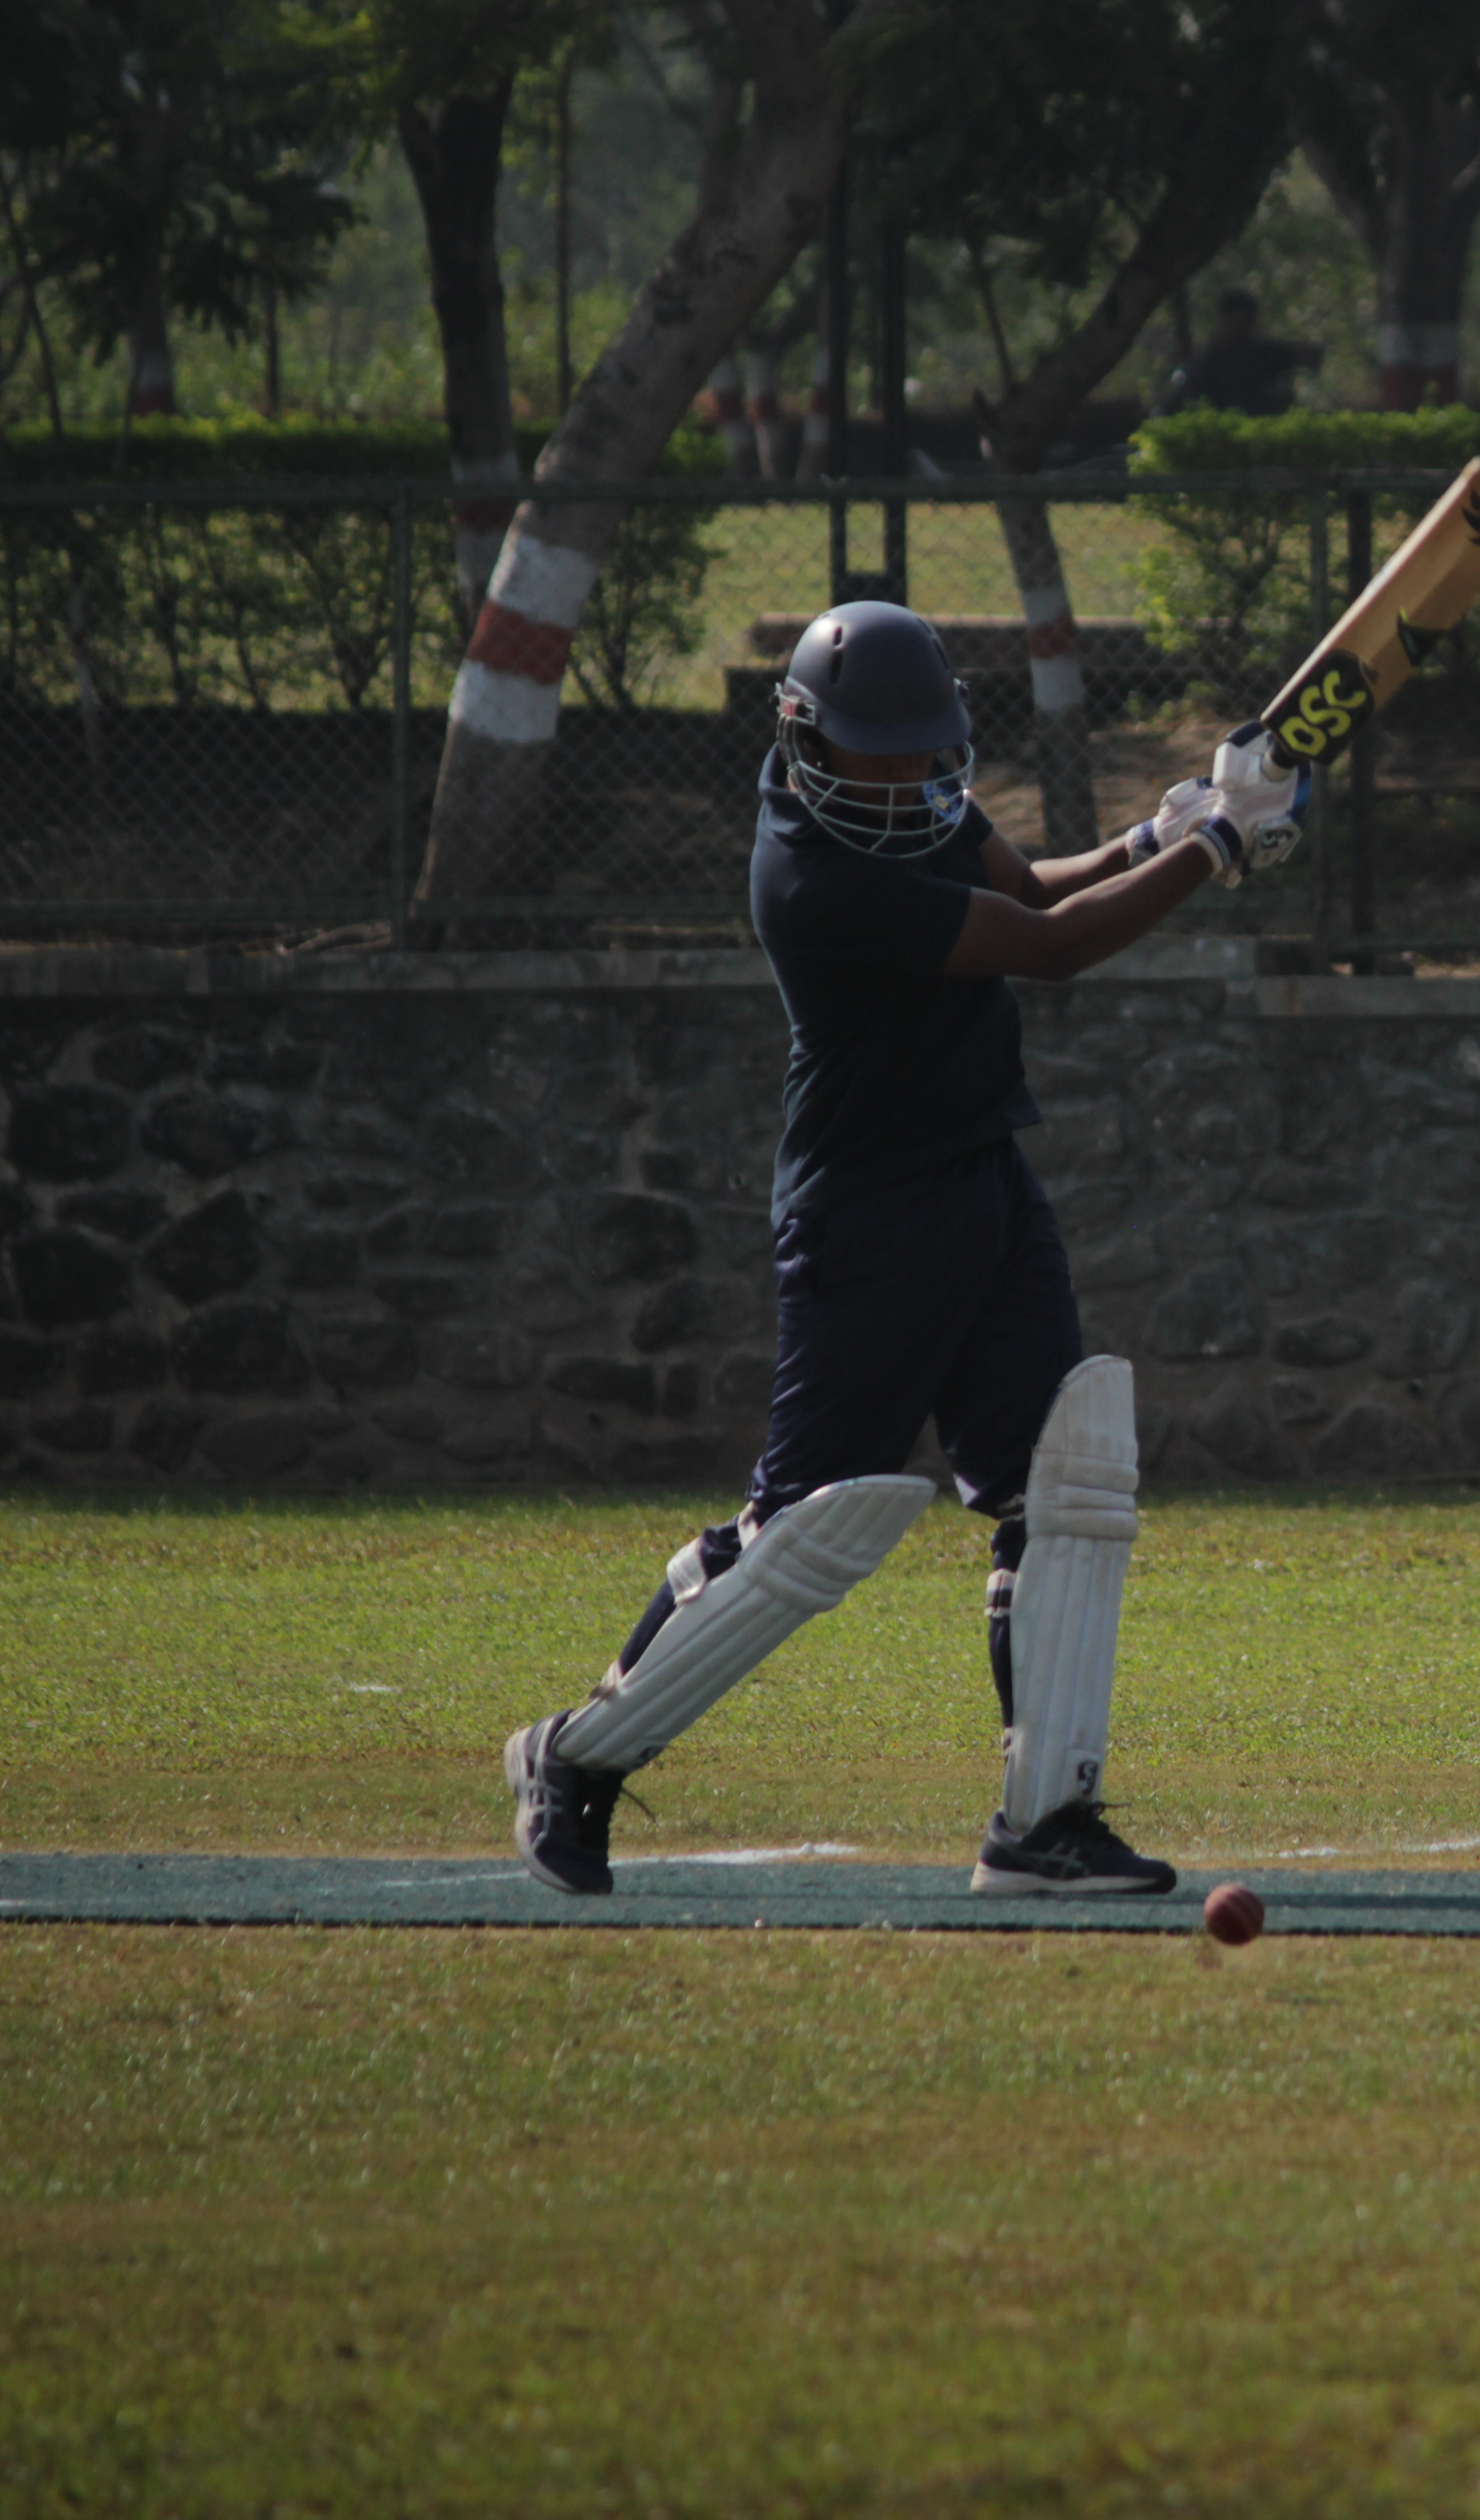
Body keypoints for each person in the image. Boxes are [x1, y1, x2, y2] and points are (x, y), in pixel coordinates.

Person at [501, 602, 1309, 1898]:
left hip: (984, 1178)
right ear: (805, 738)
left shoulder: (923, 801)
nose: (907, 778)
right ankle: (575, 1755)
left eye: (924, 751)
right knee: (798, 1527)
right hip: (868, 1215)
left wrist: (1157, 833)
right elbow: (1049, 950)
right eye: (878, 756)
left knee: (1061, 1487)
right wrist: (1217, 845)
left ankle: (1044, 1826)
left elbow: (1030, 888)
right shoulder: (811, 876)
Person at [1161, 289, 1322, 417]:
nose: (1246, 329)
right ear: (1225, 320)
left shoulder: (1263, 354)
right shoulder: (1205, 364)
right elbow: (1180, 404)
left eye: (1250, 323)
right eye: (1241, 322)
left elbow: (1307, 355)